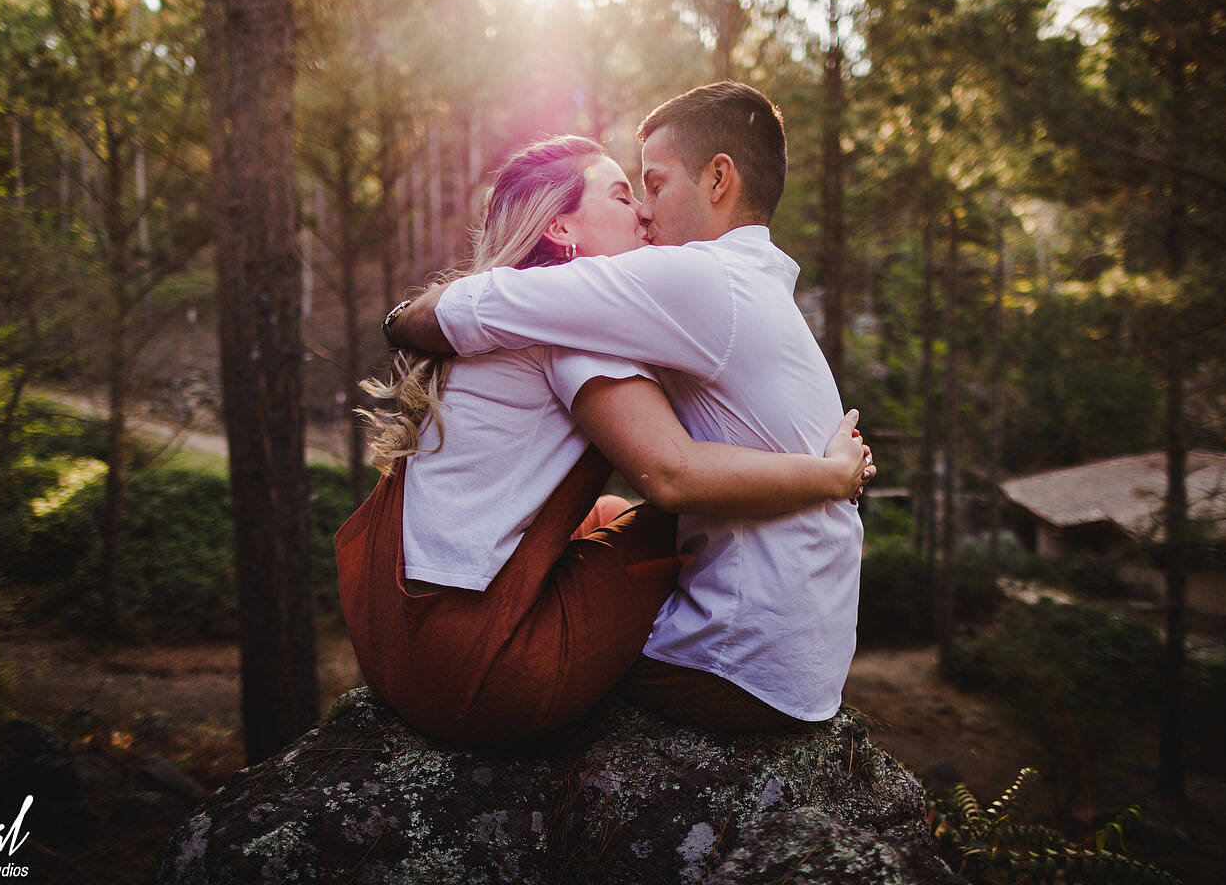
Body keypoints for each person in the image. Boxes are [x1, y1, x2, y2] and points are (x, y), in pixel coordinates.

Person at [338, 134, 874, 745]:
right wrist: (831, 475)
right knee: (679, 524)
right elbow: (675, 474)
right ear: (561, 227)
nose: (643, 212)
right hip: (476, 666)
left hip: (396, 638)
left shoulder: (518, 311)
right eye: (622, 197)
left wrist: (397, 320)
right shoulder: (575, 328)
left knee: (611, 512)